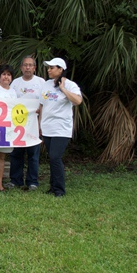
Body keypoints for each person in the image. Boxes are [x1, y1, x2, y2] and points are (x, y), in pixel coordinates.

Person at [39, 58, 82, 197]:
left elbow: (78, 101)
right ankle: (53, 187)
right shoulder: (46, 84)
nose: (49, 70)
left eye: (52, 68)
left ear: (60, 69)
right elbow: (42, 105)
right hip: (47, 127)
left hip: (61, 128)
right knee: (52, 158)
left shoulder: (70, 85)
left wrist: (63, 88)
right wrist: (40, 125)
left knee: (55, 157)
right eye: (48, 67)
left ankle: (59, 189)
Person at [8, 56, 45, 190]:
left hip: (34, 123)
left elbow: (44, 103)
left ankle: (32, 181)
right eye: (25, 65)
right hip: (17, 124)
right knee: (16, 153)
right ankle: (15, 180)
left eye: (30, 65)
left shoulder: (41, 83)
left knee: (33, 154)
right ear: (21, 67)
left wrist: (41, 123)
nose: (27, 67)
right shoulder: (15, 83)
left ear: (34, 68)